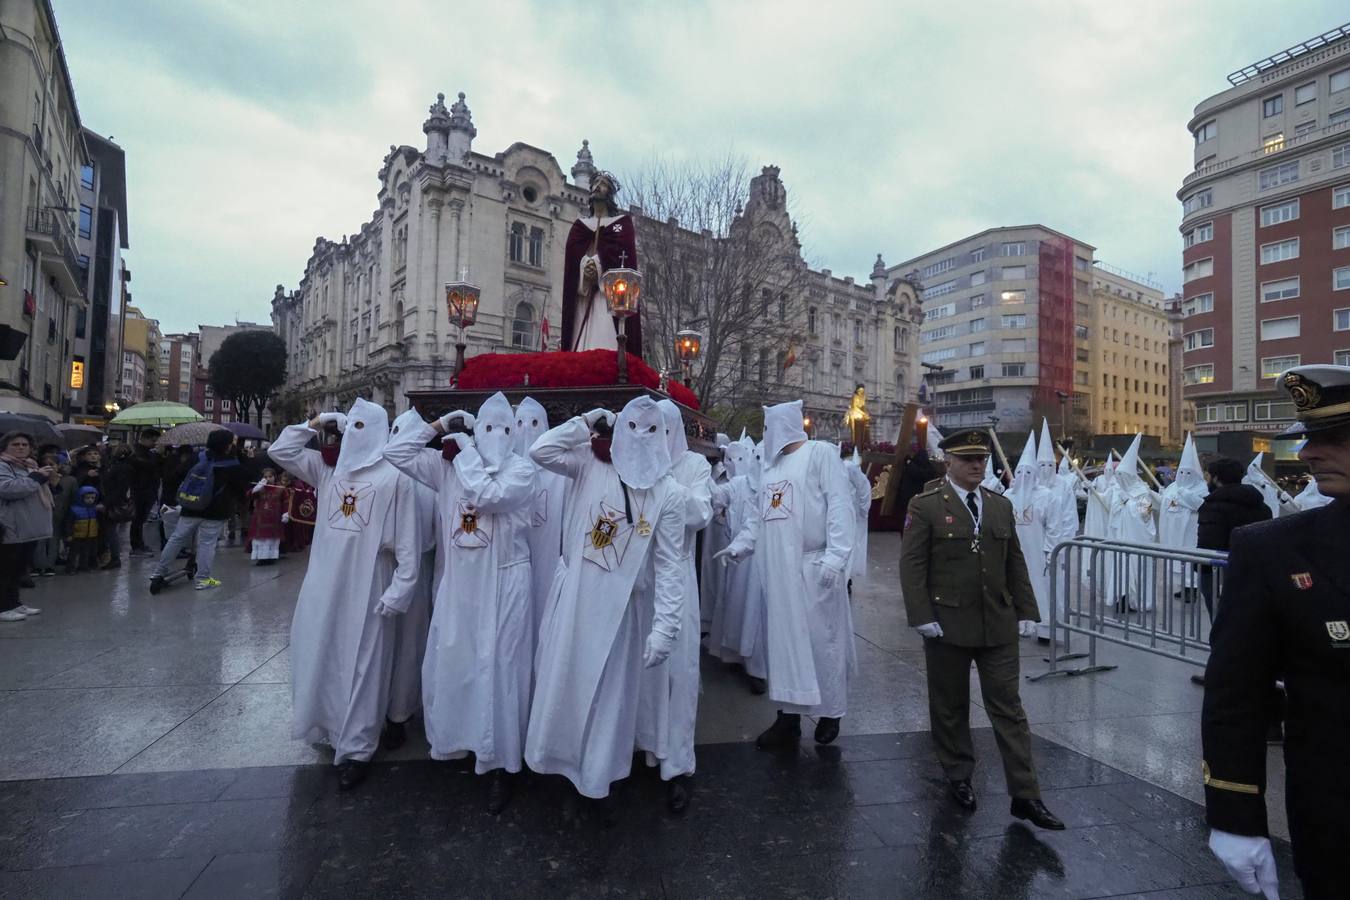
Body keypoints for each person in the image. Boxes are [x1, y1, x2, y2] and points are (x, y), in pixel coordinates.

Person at [1203, 364, 1350, 900]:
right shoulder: (1271, 548)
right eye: (1311, 438)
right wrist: (1235, 814)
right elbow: (1236, 693)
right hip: (1337, 818)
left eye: (1334, 438)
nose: (1309, 453)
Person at [898, 428, 1064, 831]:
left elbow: (1014, 562)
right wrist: (921, 616)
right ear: (948, 462)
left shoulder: (998, 505)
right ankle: (958, 775)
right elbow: (912, 566)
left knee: (1008, 708)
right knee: (950, 706)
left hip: (997, 624)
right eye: (968, 459)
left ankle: (1025, 794)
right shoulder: (926, 507)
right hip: (947, 624)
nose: (977, 466)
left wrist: (1026, 609)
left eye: (982, 459)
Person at [524, 397, 685, 812]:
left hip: (622, 613)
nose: (641, 438)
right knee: (564, 685)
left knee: (610, 698)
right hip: (576, 599)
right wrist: (584, 422)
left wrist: (665, 627)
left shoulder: (668, 492)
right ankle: (559, 765)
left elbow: (670, 566)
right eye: (632, 427)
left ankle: (600, 781)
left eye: (651, 431)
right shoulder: (588, 464)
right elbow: (539, 450)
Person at [384, 394, 534, 812]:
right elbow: (393, 451)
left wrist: (466, 450)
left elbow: (488, 497)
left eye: (504, 429)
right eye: (486, 428)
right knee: (459, 662)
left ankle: (504, 762)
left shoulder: (522, 471)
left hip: (505, 584)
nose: (495, 437)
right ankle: (461, 742)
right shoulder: (444, 466)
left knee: (500, 670)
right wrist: (437, 427)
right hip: (462, 583)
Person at [270, 399, 420, 790]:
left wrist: (401, 588)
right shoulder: (328, 471)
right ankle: (330, 726)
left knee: (363, 666)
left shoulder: (395, 476)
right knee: (323, 654)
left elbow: (408, 541)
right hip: (325, 581)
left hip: (369, 582)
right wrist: (316, 421)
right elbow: (280, 450)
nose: (348, 435)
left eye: (357, 427)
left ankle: (357, 748)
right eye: (345, 427)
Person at [716, 399, 856, 749]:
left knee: (821, 644)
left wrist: (836, 558)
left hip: (814, 568)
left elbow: (840, 503)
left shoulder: (820, 454)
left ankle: (830, 713)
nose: (766, 434)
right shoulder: (770, 469)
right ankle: (787, 718)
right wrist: (740, 546)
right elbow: (757, 518)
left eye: (769, 425)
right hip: (778, 573)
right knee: (783, 649)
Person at [635, 398, 713, 812]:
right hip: (640, 580)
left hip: (677, 579)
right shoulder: (633, 465)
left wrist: (666, 480)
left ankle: (677, 765)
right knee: (642, 671)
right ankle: (641, 747)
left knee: (678, 675)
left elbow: (700, 512)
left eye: (661, 431)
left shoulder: (694, 467)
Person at [379, 409, 438, 757]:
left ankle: (399, 712)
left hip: (419, 571)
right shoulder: (383, 475)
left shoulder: (429, 477)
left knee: (409, 646)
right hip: (385, 571)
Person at [149, 429, 247, 592]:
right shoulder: (232, 465)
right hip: (216, 511)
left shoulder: (198, 457)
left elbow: (176, 475)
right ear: (228, 446)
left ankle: (158, 572)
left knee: (176, 538)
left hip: (190, 506)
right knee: (207, 544)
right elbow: (241, 490)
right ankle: (203, 579)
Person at [707, 434, 767, 694]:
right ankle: (732, 654)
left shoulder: (776, 487)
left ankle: (757, 669)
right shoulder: (740, 484)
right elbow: (716, 497)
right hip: (737, 557)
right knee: (735, 606)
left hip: (762, 561)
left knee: (757, 614)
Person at [560, 171, 643, 356]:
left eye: (603, 184)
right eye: (595, 183)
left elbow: (624, 259)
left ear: (610, 193)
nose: (598, 186)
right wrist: (583, 268)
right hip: (584, 297)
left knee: (606, 347)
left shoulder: (622, 225)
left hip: (608, 302)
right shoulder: (579, 227)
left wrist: (598, 266)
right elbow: (571, 263)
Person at [512, 397, 566, 641]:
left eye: (534, 423)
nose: (527, 431)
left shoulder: (559, 475)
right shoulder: (506, 473)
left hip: (549, 553)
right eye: (520, 424)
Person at [0, 432, 54, 622]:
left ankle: (14, 602)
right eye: (15, 444)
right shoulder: (3, 465)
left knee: (19, 568)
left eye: (25, 444)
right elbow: (7, 489)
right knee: (6, 568)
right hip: (11, 525)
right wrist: (36, 478)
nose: (21, 447)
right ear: (5, 447)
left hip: (29, 526)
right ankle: (3, 606)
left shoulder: (29, 465)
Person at [1158, 434, 1206, 587]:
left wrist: (1184, 495)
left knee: (1191, 559)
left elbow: (1200, 504)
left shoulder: (1202, 487)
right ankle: (1183, 586)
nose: (1184, 476)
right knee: (1178, 559)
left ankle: (1193, 587)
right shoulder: (1173, 487)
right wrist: (1156, 495)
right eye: (1182, 472)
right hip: (1175, 529)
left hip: (1191, 530)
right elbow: (1166, 504)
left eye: (1189, 473)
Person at [99, 444, 136, 570]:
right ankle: (112, 557)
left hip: (112, 502)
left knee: (111, 531)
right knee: (111, 531)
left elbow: (119, 489)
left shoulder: (120, 468)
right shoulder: (126, 467)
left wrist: (106, 503)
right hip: (114, 500)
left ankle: (114, 558)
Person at [127, 429, 162, 556]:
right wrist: (157, 455)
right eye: (153, 440)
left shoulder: (147, 453)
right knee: (138, 519)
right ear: (145, 438)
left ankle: (140, 544)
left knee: (141, 519)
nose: (155, 443)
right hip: (140, 490)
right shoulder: (137, 453)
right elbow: (147, 466)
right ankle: (136, 546)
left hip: (148, 489)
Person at [246, 467, 287, 565]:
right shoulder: (260, 488)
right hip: (260, 519)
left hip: (274, 519)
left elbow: (286, 502)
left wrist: (286, 513)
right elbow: (248, 496)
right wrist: (255, 489)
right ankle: (261, 558)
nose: (268, 479)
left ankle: (271, 557)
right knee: (260, 539)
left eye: (270, 476)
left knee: (272, 539)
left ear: (274, 477)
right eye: (266, 477)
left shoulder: (281, 489)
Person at [65, 486, 101, 573]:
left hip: (89, 535)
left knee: (86, 552)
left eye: (93, 498)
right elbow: (69, 523)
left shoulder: (94, 509)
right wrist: (69, 534)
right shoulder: (75, 509)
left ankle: (83, 566)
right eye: (87, 498)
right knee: (73, 553)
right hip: (76, 535)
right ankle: (70, 568)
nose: (90, 500)